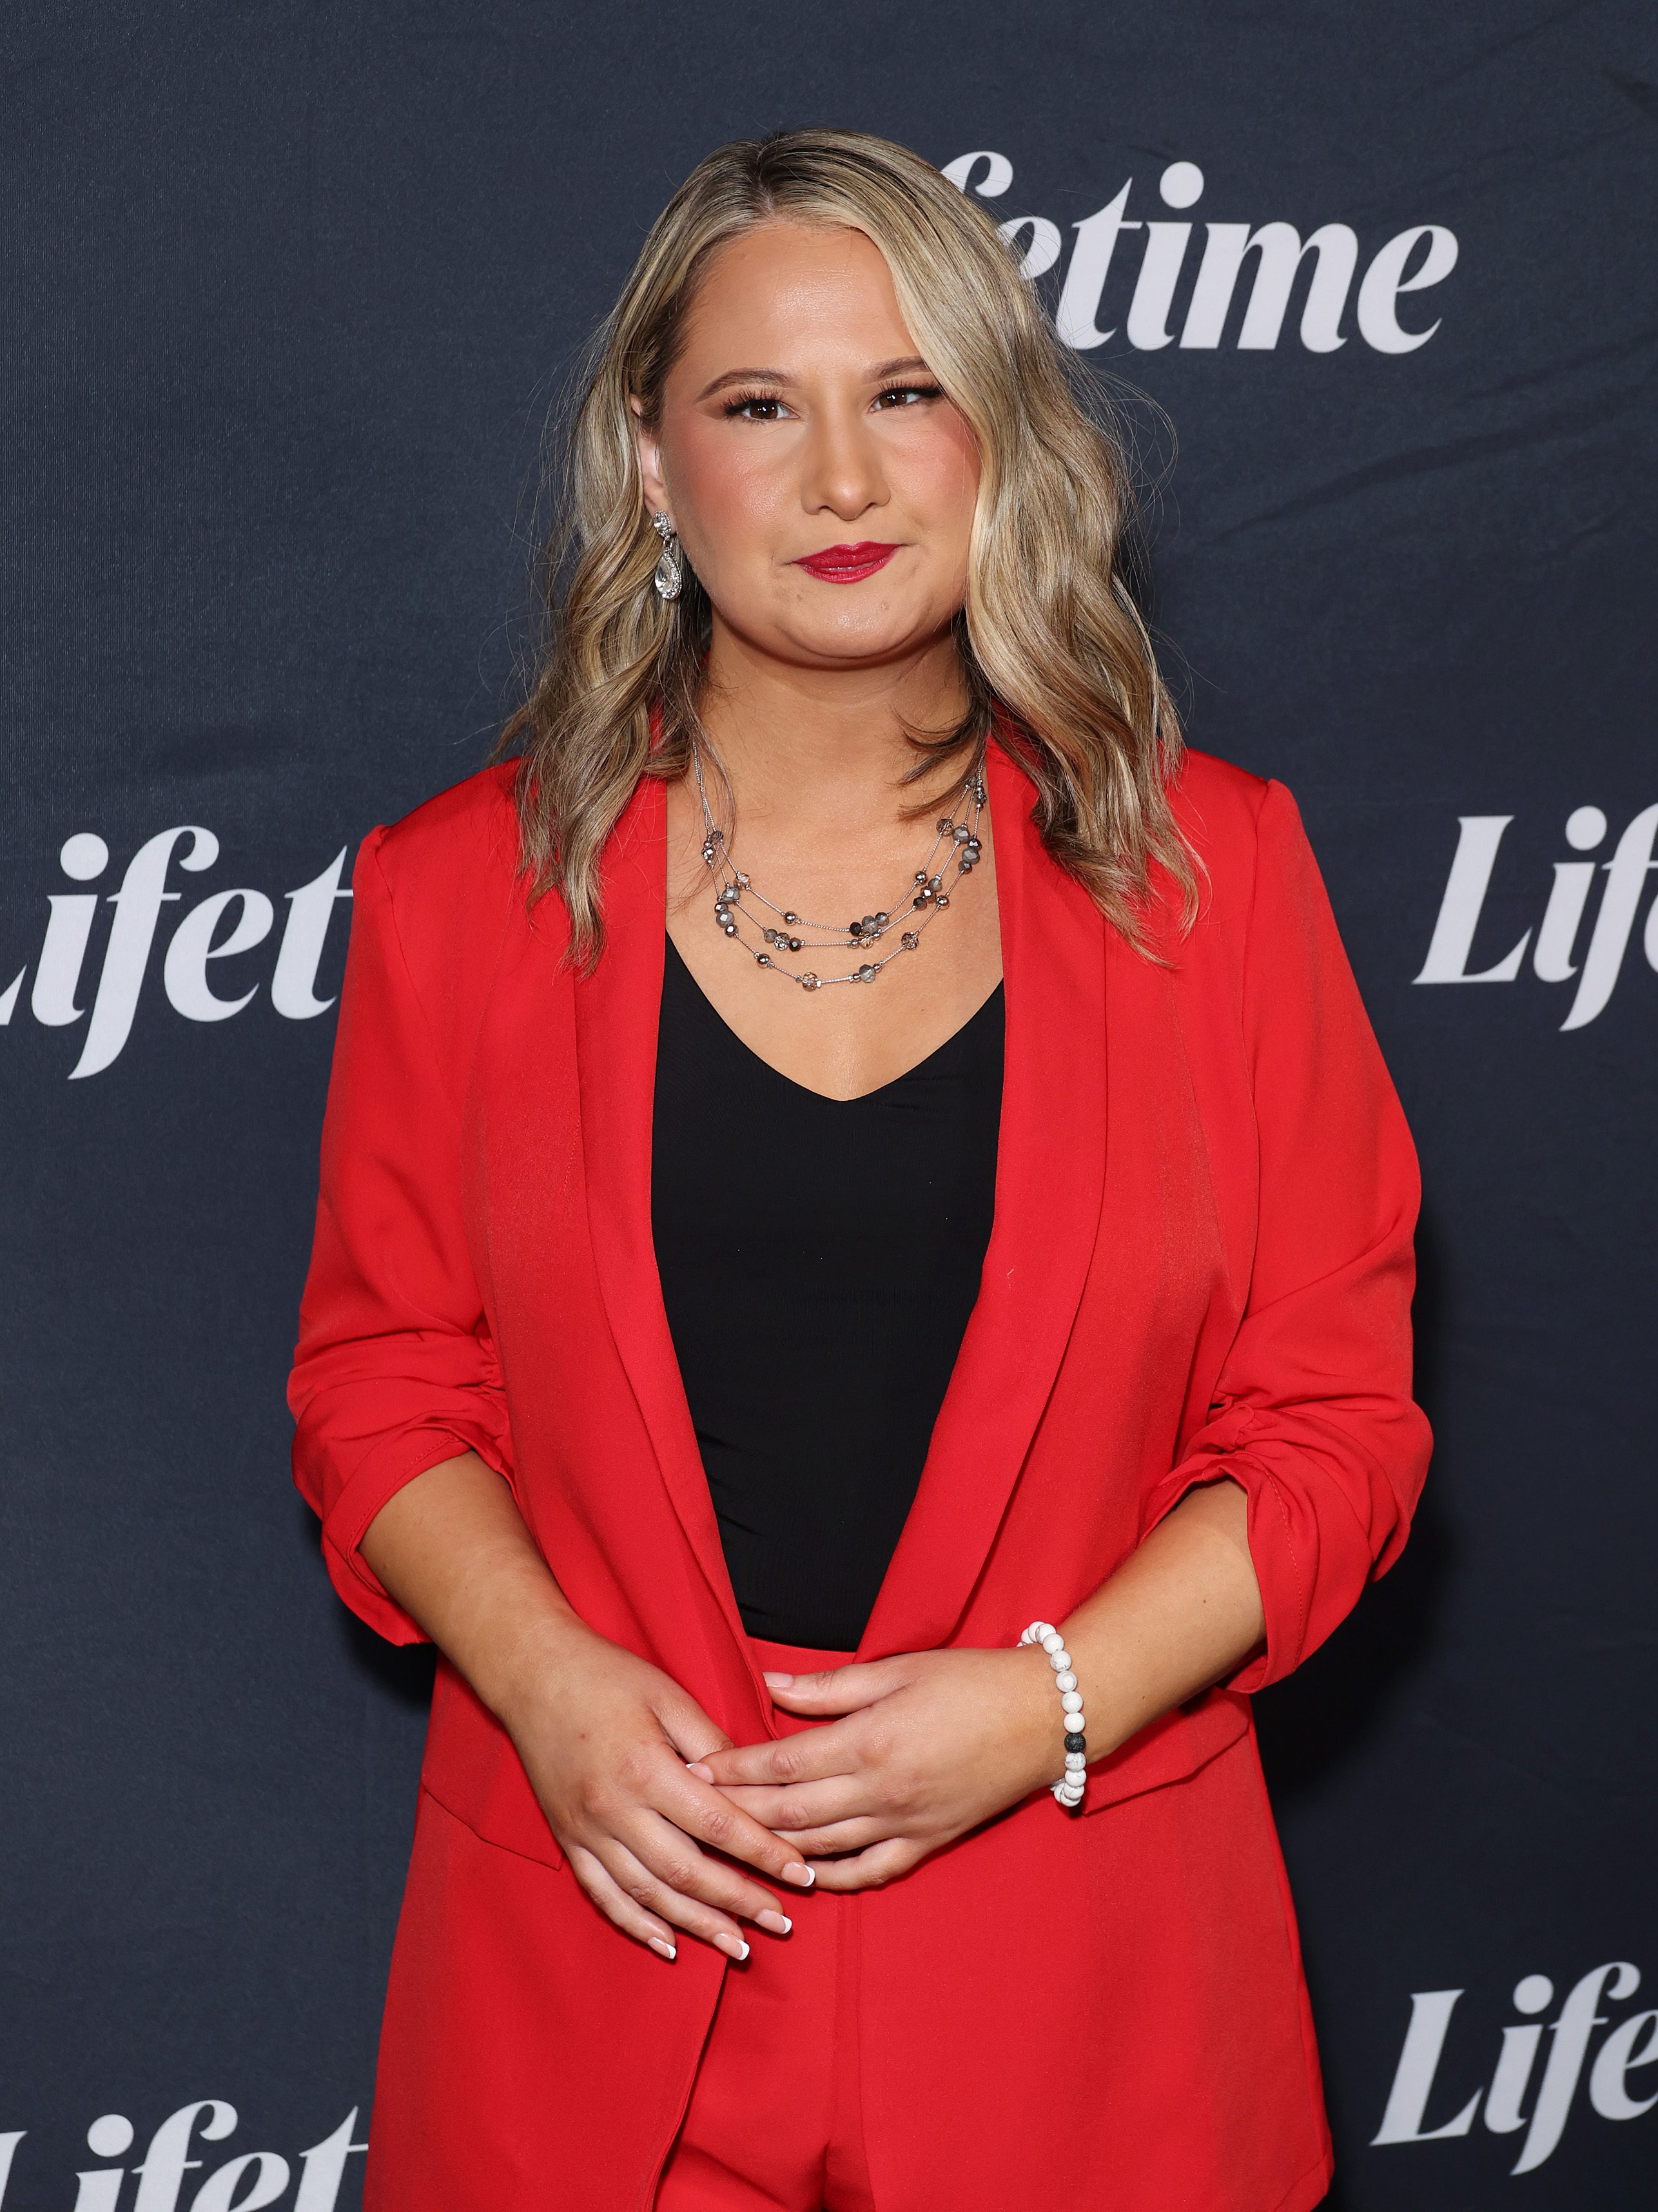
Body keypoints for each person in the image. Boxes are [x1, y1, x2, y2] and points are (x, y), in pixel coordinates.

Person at [288, 127, 1430, 2212]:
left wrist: (1046, 1706)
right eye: (757, 406)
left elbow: (1333, 1426)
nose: (839, 479)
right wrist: (548, 1688)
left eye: (905, 391)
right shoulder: (457, 894)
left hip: (1082, 1972)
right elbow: (384, 1385)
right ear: (652, 464)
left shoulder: (1218, 874)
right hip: (607, 1945)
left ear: (1001, 438)